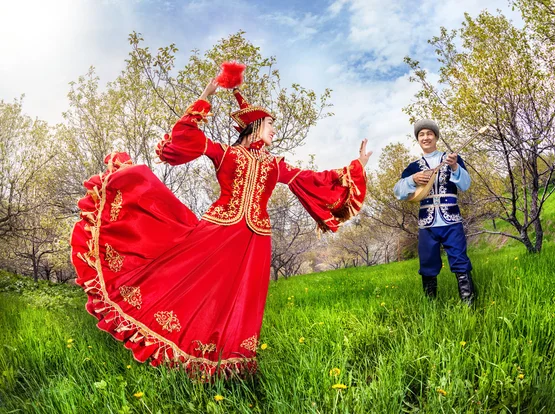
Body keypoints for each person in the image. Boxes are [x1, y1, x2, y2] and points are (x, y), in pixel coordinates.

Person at [70, 79, 371, 379]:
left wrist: (356, 167)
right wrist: (205, 96)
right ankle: (189, 351)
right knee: (196, 287)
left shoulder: (275, 165)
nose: (274, 131)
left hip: (256, 240)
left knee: (243, 299)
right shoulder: (225, 153)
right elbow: (185, 139)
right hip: (218, 231)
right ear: (254, 126)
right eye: (270, 124)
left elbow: (315, 180)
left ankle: (233, 363)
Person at [393, 119, 475, 304]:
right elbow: (398, 191)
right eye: (421, 134)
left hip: (451, 221)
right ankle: (431, 307)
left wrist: (455, 167)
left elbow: (465, 184)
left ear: (436, 137)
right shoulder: (414, 167)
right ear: (418, 139)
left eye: (429, 133)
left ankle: (469, 306)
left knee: (460, 260)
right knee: (428, 264)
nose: (426, 137)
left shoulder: (452, 158)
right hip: (427, 224)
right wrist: (412, 179)